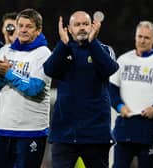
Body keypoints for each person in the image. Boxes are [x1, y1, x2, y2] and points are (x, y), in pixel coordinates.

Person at [43, 10, 119, 168]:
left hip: (96, 135)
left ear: (92, 27)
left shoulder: (104, 49)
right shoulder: (63, 50)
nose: (82, 28)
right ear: (69, 29)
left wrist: (93, 43)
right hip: (64, 134)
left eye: (85, 24)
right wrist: (63, 45)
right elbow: (49, 70)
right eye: (77, 25)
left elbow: (110, 69)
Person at [0, 8, 51, 168]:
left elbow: (34, 88)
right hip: (2, 127)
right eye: (20, 25)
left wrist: (8, 73)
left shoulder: (43, 54)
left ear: (38, 30)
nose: (23, 30)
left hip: (30, 130)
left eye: (29, 26)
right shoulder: (5, 51)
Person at [109, 20, 153, 168]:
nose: (142, 40)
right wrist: (120, 106)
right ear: (135, 37)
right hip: (125, 126)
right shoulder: (123, 60)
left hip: (149, 128)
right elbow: (112, 90)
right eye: (139, 36)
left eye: (147, 37)